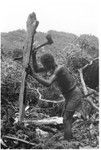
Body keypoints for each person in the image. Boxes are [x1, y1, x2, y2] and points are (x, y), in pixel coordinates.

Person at [27, 51, 83, 140]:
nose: (44, 67)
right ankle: (69, 137)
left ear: (50, 63)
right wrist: (33, 56)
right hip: (68, 95)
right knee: (67, 118)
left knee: (66, 119)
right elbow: (37, 69)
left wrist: (33, 75)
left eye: (44, 65)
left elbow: (48, 83)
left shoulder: (59, 69)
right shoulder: (51, 68)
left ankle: (68, 142)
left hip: (74, 94)